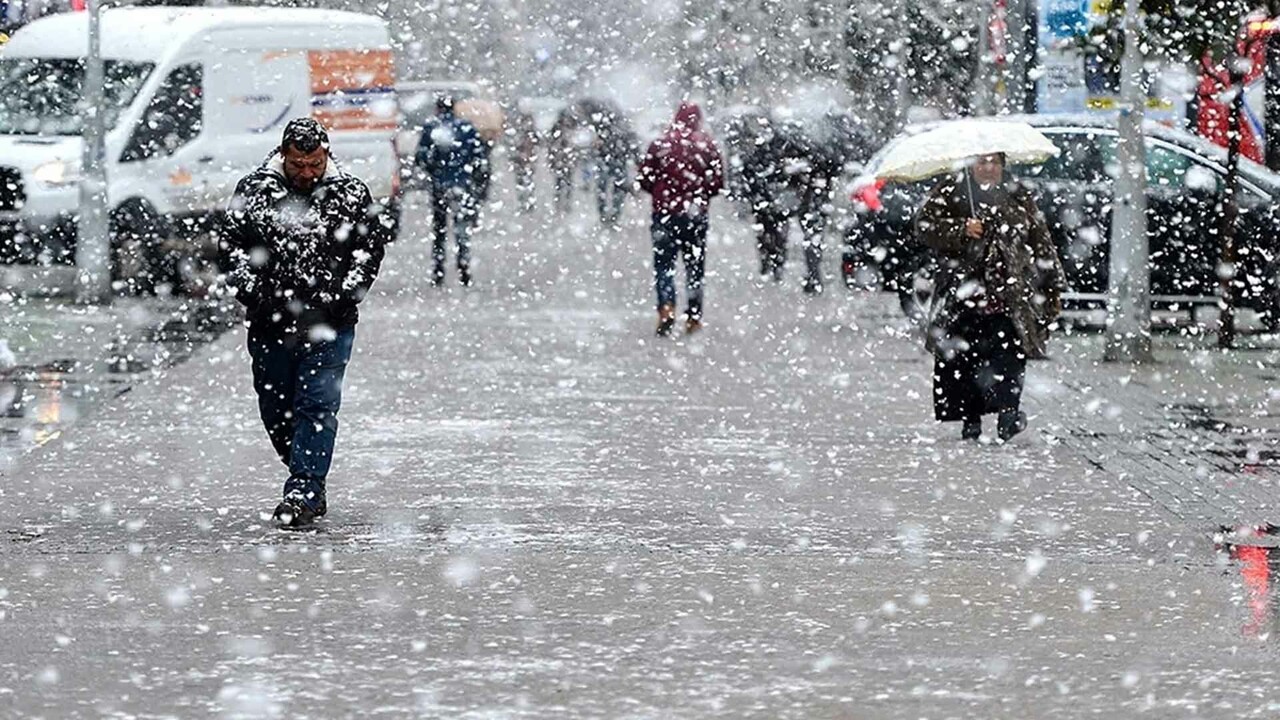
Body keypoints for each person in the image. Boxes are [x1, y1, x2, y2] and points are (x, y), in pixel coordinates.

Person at [221, 118, 391, 526]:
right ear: (283, 156)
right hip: (271, 323)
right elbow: (231, 247)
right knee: (276, 408)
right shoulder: (254, 191)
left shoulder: (350, 194)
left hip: (329, 324)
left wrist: (344, 296)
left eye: (314, 163)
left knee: (317, 406)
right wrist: (253, 293)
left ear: (326, 155)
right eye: (298, 164)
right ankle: (302, 465)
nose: (306, 173)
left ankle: (305, 489)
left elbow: (369, 251)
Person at [915, 153, 1065, 442]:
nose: (987, 168)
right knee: (965, 359)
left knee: (1009, 357)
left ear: (1002, 165)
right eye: (981, 162)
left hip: (1008, 295)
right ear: (972, 165)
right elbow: (924, 227)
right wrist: (961, 229)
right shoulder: (953, 190)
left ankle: (1008, 415)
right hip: (964, 294)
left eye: (994, 162)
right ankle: (971, 419)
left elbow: (1040, 241)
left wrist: (1051, 287)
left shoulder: (1018, 194)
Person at [637, 102, 724, 336]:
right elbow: (716, 183)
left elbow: (645, 179)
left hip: (665, 214)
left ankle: (666, 307)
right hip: (695, 216)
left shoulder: (660, 144)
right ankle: (693, 317)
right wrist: (698, 195)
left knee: (664, 265)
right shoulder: (707, 146)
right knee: (694, 267)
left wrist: (661, 193)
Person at [416, 95, 487, 287]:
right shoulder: (466, 128)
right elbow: (479, 157)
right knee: (461, 228)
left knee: (440, 230)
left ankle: (438, 270)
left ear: (438, 109)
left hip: (439, 186)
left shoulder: (432, 128)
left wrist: (433, 170)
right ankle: (463, 268)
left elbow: (422, 157)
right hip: (462, 185)